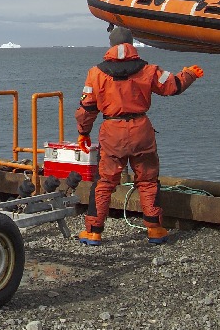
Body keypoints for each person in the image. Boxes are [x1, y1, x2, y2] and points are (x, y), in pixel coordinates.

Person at [75, 25, 204, 246]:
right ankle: (155, 229)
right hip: (141, 131)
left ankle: (94, 231)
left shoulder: (95, 73)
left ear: (111, 45)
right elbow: (173, 86)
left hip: (112, 132)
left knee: (105, 182)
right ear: (132, 44)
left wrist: (83, 133)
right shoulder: (149, 69)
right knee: (147, 180)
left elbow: (87, 108)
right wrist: (189, 74)